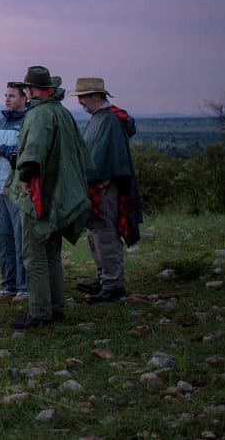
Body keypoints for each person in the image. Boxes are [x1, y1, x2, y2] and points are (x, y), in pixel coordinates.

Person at [7, 65, 93, 330]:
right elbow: (83, 157)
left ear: (31, 91)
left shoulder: (39, 116)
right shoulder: (63, 113)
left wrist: (23, 182)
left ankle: (40, 312)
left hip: (39, 196)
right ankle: (56, 309)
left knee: (34, 256)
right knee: (53, 254)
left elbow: (32, 155)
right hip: (61, 196)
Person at [72, 77, 143, 304]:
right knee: (95, 235)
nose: (81, 102)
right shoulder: (99, 119)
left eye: (83, 97)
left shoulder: (108, 120)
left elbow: (103, 159)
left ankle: (113, 285)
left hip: (104, 189)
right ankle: (103, 279)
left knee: (105, 235)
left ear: (96, 96)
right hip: (96, 188)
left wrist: (94, 180)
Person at [0, 82, 30, 301]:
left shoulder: (28, 120)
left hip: (16, 189)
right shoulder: (4, 119)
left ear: (24, 98)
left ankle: (24, 287)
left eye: (12, 96)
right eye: (5, 95)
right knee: (4, 237)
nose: (7, 99)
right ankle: (8, 285)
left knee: (20, 237)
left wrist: (3, 150)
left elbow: (28, 153)